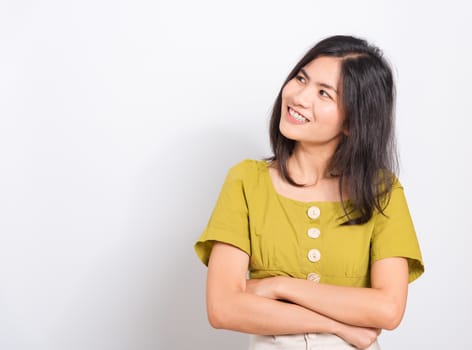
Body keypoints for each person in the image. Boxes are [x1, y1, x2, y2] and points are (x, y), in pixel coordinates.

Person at [194, 35, 424, 349]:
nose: (300, 97)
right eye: (301, 78)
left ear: (353, 122)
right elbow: (222, 308)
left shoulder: (382, 192)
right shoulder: (246, 181)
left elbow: (388, 309)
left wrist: (277, 286)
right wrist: (338, 324)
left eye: (324, 93)